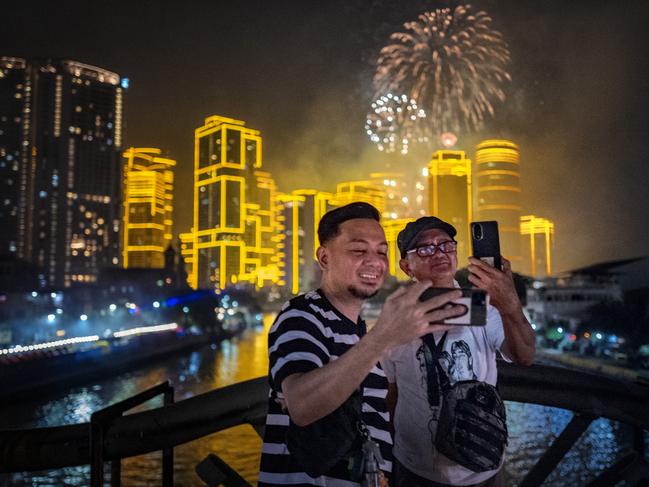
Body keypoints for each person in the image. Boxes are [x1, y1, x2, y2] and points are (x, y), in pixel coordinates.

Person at [258, 203, 465, 486]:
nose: (374, 261)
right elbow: (301, 404)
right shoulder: (302, 314)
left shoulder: (358, 331)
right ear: (324, 257)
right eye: (358, 250)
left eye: (381, 251)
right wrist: (383, 338)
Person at [382, 216, 536, 487]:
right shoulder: (396, 316)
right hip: (416, 469)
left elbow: (524, 355)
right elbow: (390, 394)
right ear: (406, 266)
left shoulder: (483, 307)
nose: (439, 252)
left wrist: (509, 301)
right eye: (425, 249)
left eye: (446, 245)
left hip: (480, 464)